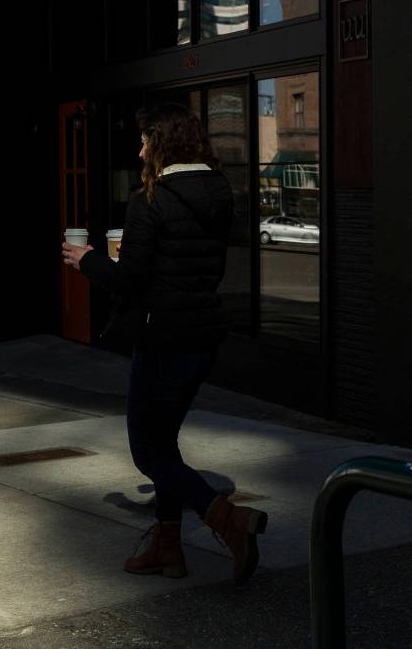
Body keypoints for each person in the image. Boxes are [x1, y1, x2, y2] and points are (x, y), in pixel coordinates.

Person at [62, 103, 267, 584]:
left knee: (147, 453)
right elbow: (208, 269)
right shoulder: (220, 192)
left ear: (162, 145)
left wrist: (87, 259)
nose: (139, 149)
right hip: (202, 337)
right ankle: (167, 547)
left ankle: (227, 519)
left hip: (162, 337)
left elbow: (129, 279)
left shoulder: (149, 199)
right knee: (165, 445)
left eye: (145, 140)